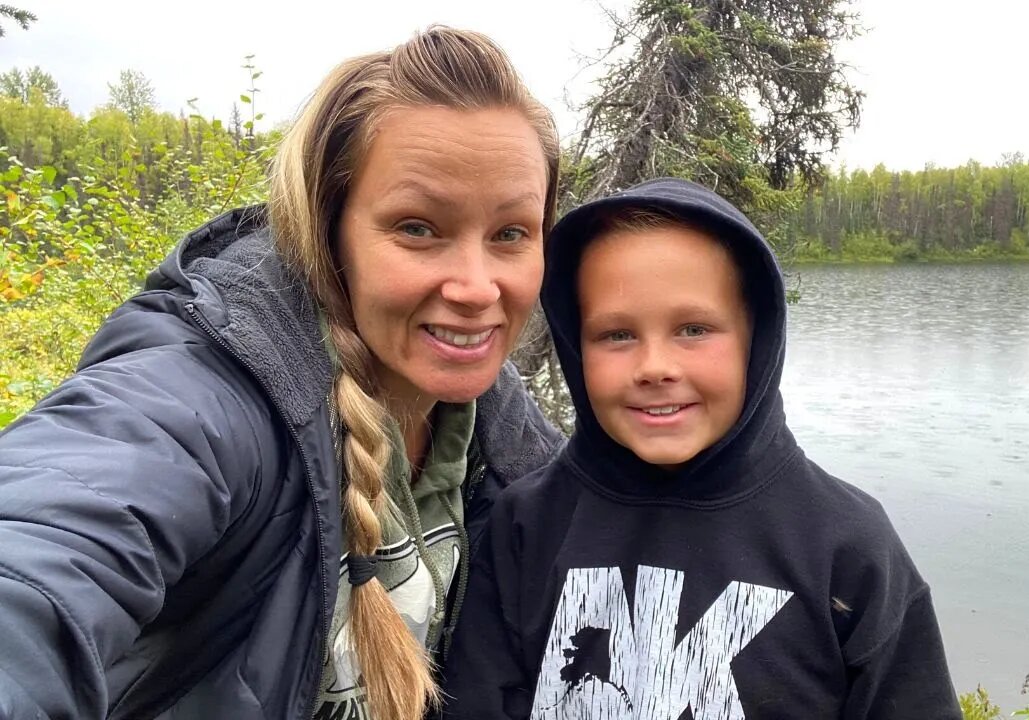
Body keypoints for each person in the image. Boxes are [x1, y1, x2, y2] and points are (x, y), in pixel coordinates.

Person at [0, 27, 563, 720]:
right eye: (418, 228)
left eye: (510, 233)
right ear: (330, 232)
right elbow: (44, 550)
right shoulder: (213, 399)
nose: (478, 288)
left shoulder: (507, 442)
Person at [441, 178, 963, 719]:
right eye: (616, 335)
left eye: (693, 329)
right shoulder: (526, 526)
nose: (655, 368)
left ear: (753, 339)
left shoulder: (848, 546)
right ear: (576, 346)